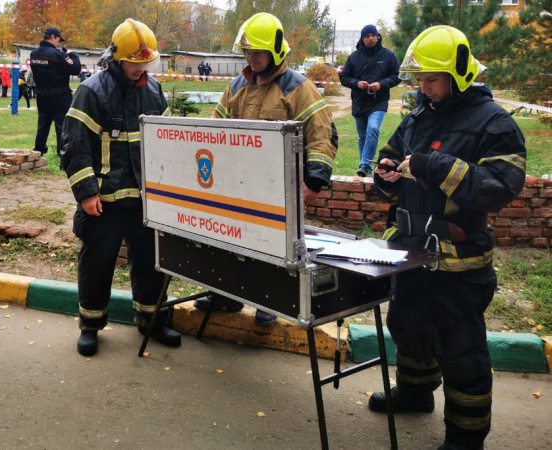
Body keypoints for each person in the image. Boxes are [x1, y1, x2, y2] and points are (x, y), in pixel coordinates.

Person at [366, 26, 526, 450]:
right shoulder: (421, 114)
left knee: (460, 350)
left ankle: (466, 436)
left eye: (431, 80)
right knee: (408, 325)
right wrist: (387, 172)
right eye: (419, 80)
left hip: (458, 262)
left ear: (457, 74)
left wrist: (435, 166)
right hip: (411, 251)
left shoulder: (494, 122)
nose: (424, 88)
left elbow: (500, 187)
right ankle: (417, 394)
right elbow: (398, 156)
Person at [197, 12, 338, 327]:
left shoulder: (299, 88)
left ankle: (269, 303)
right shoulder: (236, 87)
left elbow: (322, 136)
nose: (251, 57)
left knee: (273, 245)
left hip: (280, 188)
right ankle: (225, 296)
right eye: (247, 52)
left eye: (257, 52)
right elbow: (213, 129)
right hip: (236, 186)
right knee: (227, 240)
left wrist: (313, 183)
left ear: (275, 51)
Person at [61, 18, 181, 357]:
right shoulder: (92, 91)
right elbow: (73, 145)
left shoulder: (154, 90)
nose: (142, 69)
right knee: (97, 264)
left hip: (146, 200)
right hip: (105, 203)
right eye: (135, 63)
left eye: (147, 63)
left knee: (151, 265)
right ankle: (90, 326)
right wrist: (86, 193)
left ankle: (153, 322)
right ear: (118, 58)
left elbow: (168, 142)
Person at [339, 25, 400, 178]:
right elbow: (344, 77)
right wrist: (356, 83)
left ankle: (365, 166)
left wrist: (381, 84)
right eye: (367, 36)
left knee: (372, 129)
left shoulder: (388, 55)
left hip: (378, 101)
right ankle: (364, 170)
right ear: (362, 38)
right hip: (359, 102)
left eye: (374, 35)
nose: (371, 38)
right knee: (362, 137)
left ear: (378, 37)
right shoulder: (354, 57)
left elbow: (397, 76)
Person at [29, 27, 81, 156]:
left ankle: (38, 149)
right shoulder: (58, 55)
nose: (59, 43)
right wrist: (73, 54)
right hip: (60, 96)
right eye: (58, 40)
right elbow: (76, 68)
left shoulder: (33, 54)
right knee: (62, 126)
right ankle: (62, 152)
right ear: (52, 37)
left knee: (43, 124)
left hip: (42, 95)